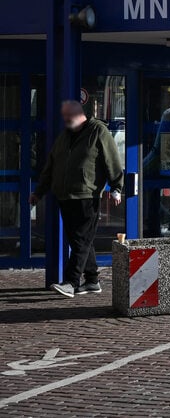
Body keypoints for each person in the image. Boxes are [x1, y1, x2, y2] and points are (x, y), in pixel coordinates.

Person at [31, 100, 124, 298]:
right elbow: (51, 165)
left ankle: (71, 282)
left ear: (79, 114)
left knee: (81, 239)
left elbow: (112, 159)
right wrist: (39, 192)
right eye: (64, 117)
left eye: (68, 117)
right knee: (80, 240)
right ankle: (92, 280)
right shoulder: (64, 136)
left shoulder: (98, 131)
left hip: (87, 195)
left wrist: (117, 186)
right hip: (65, 196)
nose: (66, 121)